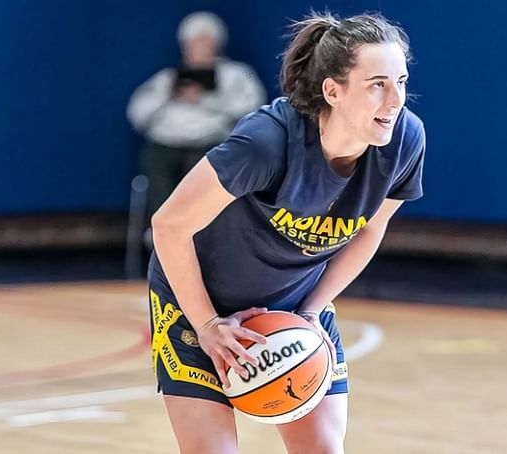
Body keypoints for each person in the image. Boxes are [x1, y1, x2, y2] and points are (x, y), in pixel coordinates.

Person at [148, 10, 425, 454]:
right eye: (378, 84)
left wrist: (312, 311)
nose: (395, 99)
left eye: (402, 81)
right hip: (199, 301)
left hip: (295, 303)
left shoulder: (404, 140)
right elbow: (168, 224)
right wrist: (206, 324)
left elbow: (371, 230)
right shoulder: (267, 143)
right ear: (333, 91)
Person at [127, 12, 266, 223]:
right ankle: (159, 229)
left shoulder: (238, 73)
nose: (198, 49)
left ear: (217, 44)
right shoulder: (168, 77)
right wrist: (169, 93)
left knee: (204, 170)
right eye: (193, 44)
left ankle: (201, 230)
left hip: (212, 143)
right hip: (165, 144)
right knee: (156, 164)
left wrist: (204, 99)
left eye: (205, 43)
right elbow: (137, 114)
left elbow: (253, 108)